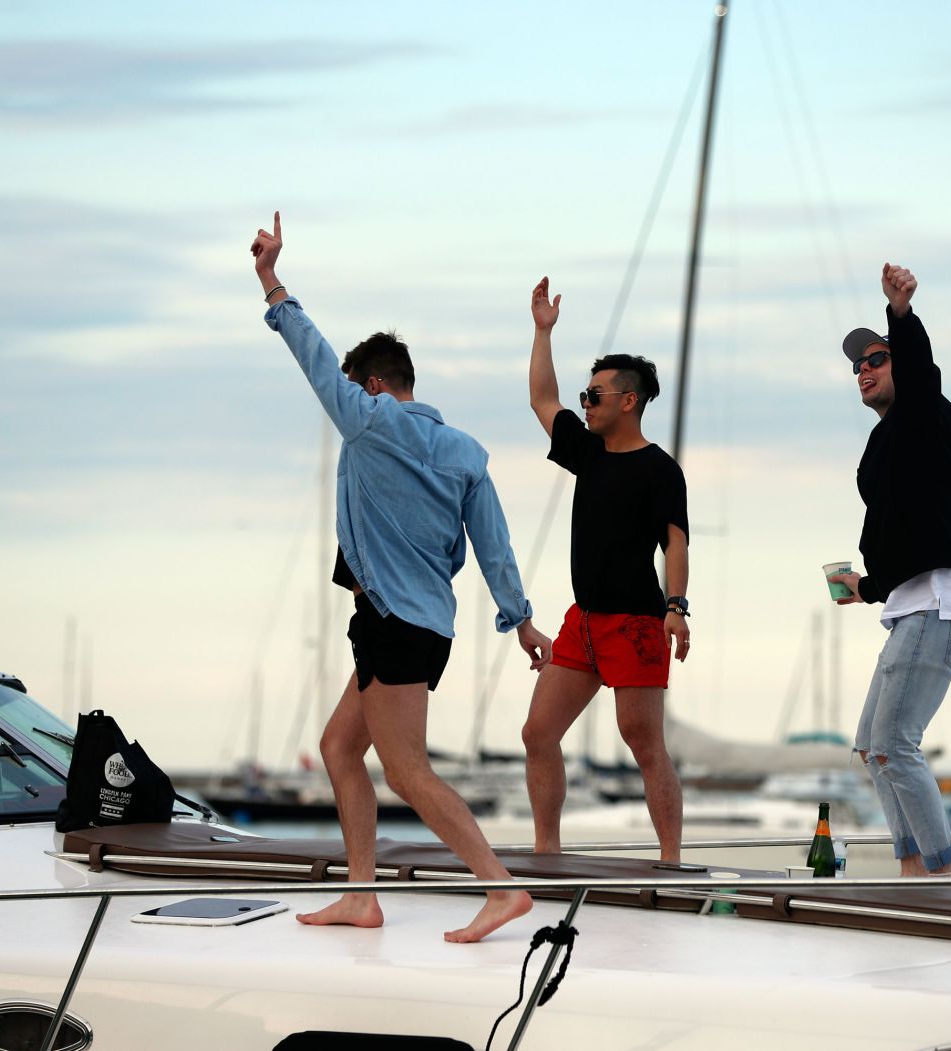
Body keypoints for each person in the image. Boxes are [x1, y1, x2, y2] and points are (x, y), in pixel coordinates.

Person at [250, 212, 553, 943]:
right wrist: (519, 618)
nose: (347, 400)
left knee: (407, 769)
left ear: (377, 385)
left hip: (393, 623)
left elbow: (315, 357)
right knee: (337, 748)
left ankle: (498, 885)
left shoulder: (371, 419)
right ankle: (362, 895)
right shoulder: (465, 452)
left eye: (357, 390)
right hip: (423, 626)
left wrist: (271, 283)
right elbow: (495, 544)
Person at [522, 276, 691, 862]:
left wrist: (676, 608)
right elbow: (543, 399)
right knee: (537, 734)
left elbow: (675, 543)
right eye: (585, 395)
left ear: (629, 401)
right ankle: (547, 851)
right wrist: (543, 331)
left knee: (643, 744)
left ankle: (670, 858)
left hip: (637, 623)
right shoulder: (586, 452)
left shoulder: (659, 469)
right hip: (584, 621)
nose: (584, 404)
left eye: (594, 396)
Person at [830, 263, 951, 877]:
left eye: (876, 359)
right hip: (910, 604)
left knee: (896, 746)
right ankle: (914, 867)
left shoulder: (925, 412)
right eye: (857, 366)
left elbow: (921, 373)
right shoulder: (886, 440)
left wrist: (901, 313)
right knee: (873, 750)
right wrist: (865, 587)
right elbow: (900, 534)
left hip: (938, 602)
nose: (864, 370)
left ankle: (941, 878)